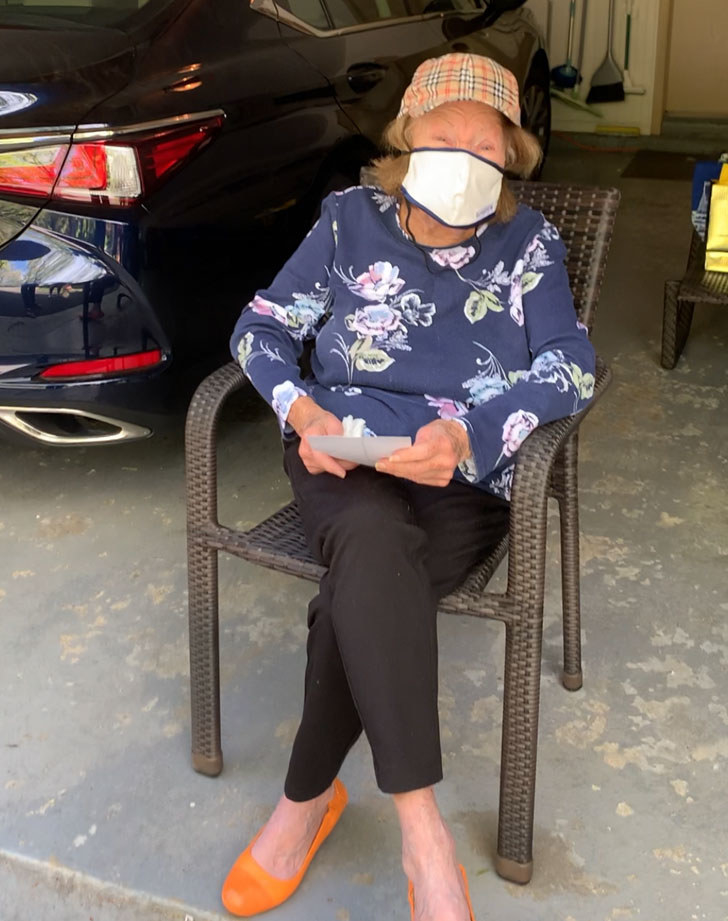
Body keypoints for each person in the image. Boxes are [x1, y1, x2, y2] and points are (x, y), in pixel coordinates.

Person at [224, 53, 595, 921]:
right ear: (405, 138)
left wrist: (469, 434)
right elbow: (261, 327)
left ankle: (304, 803)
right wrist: (305, 412)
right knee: (370, 539)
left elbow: (571, 366)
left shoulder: (528, 242)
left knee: (362, 581)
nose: (466, 157)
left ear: (512, 158)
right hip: (340, 453)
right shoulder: (348, 220)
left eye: (487, 143)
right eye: (445, 135)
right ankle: (422, 832)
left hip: (458, 473)